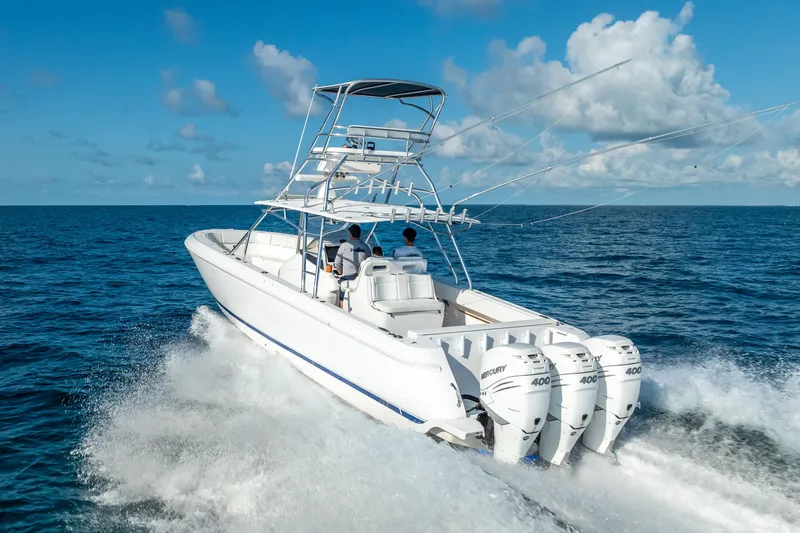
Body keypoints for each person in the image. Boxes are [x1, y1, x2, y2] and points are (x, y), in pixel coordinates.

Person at [335, 224, 372, 304]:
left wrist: (340, 271)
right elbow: (369, 262)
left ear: (350, 234)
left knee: (340, 292)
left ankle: (341, 305)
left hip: (347, 278)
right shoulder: (366, 247)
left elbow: (337, 262)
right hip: (359, 279)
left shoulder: (344, 245)